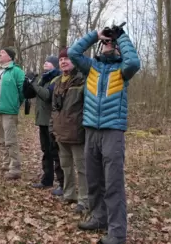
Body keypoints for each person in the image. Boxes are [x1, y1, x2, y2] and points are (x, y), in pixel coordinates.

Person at [68, 24, 140, 244]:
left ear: (118, 48)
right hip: (90, 129)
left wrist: (121, 37)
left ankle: (117, 233)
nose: (108, 44)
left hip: (112, 131)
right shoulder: (91, 67)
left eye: (112, 43)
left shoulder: (123, 70)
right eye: (105, 42)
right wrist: (95, 35)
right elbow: (73, 53)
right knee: (94, 180)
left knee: (113, 183)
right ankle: (99, 218)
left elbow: (134, 62)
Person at [49, 47, 88, 214]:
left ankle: (84, 200)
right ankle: (69, 194)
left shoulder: (83, 80)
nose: (63, 61)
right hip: (60, 133)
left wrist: (84, 129)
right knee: (65, 166)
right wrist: (52, 128)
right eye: (61, 59)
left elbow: (88, 107)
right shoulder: (57, 82)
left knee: (82, 168)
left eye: (67, 59)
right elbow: (54, 108)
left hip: (77, 133)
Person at [0, 47, 26, 180]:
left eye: (2, 53)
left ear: (10, 57)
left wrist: (15, 104)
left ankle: (15, 169)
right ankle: (6, 163)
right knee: (1, 140)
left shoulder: (17, 71)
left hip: (9, 111)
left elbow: (23, 91)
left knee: (10, 141)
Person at [23, 56, 64, 194]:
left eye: (48, 62)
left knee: (55, 152)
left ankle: (63, 184)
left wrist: (34, 83)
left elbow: (47, 95)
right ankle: (47, 180)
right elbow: (29, 94)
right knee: (46, 151)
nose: (45, 63)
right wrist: (27, 82)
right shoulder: (43, 78)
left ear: (54, 65)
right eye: (44, 61)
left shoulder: (57, 78)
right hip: (42, 121)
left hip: (52, 121)